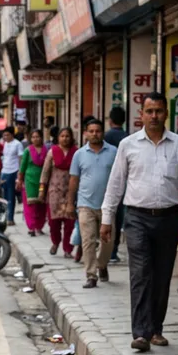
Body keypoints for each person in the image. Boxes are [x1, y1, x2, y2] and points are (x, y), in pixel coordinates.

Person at [101, 92, 178, 352]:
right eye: (149, 111)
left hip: (169, 218)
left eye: (159, 111)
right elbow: (116, 183)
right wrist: (106, 218)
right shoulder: (128, 144)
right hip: (136, 218)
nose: (154, 116)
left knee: (161, 276)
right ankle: (141, 333)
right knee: (140, 274)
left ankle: (156, 329)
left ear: (166, 114)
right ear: (141, 114)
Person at [66, 119, 117, 288]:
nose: (95, 134)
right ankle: (91, 275)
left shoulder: (114, 152)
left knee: (108, 242)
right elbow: (74, 180)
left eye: (98, 131)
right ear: (85, 133)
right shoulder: (79, 154)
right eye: (91, 131)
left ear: (103, 132)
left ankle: (102, 264)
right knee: (87, 241)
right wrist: (69, 203)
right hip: (85, 204)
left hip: (108, 205)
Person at [39, 126, 77, 257]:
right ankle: (55, 242)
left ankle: (67, 249)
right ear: (58, 138)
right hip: (54, 192)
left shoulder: (76, 153)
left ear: (71, 137)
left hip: (71, 193)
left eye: (67, 136)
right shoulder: (52, 152)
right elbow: (45, 172)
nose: (65, 138)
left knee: (70, 224)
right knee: (53, 222)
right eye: (62, 136)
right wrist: (41, 191)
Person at [104, 106, 129, 261]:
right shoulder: (127, 137)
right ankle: (113, 251)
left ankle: (106, 250)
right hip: (125, 183)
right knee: (118, 216)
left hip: (108, 181)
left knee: (107, 216)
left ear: (110, 120)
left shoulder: (105, 137)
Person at [17, 128, 48, 236]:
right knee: (30, 205)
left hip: (42, 181)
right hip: (30, 181)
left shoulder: (46, 150)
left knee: (41, 204)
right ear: (30, 138)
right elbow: (23, 166)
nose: (35, 139)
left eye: (37, 137)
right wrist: (20, 180)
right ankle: (31, 227)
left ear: (41, 138)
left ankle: (39, 227)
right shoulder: (28, 150)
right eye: (33, 137)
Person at [1, 127, 24, 225]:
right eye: (4, 135)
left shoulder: (18, 144)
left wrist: (19, 173)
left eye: (7, 135)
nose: (5, 137)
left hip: (13, 171)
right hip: (4, 171)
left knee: (11, 196)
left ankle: (10, 218)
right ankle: (5, 216)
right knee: (3, 196)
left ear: (12, 135)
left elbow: (20, 158)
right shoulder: (5, 143)